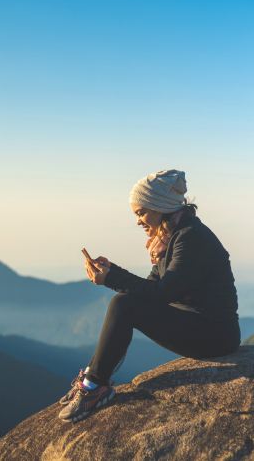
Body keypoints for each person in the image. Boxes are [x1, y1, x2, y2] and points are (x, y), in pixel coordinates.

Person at [58, 169, 240, 423]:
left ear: (159, 207)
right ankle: (91, 378)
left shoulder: (191, 239)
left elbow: (162, 293)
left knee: (123, 304)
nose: (138, 221)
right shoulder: (172, 237)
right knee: (125, 303)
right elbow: (153, 287)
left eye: (141, 212)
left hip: (215, 335)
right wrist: (113, 271)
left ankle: (93, 386)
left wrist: (111, 279)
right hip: (198, 325)